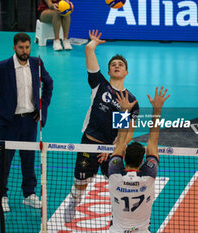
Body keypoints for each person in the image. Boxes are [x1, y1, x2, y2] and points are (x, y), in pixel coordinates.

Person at [64, 29, 139, 222]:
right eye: (113, 64)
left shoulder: (131, 101)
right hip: (88, 143)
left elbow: (128, 133)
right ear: (108, 71)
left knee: (117, 186)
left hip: (112, 150)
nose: (116, 66)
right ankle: (74, 202)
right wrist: (92, 45)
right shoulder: (99, 84)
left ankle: (117, 219)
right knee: (80, 184)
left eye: (120, 64)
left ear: (126, 72)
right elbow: (90, 56)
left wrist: (113, 149)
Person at [0, 32, 53, 212]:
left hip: (30, 121)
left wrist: (42, 109)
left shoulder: (37, 63)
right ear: (14, 47)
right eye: (21, 47)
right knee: (5, 160)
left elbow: (49, 84)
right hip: (8, 123)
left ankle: (29, 194)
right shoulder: (2, 67)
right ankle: (1, 196)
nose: (24, 51)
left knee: (28, 159)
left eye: (27, 47)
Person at [108, 86, 169, 233]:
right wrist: (157, 110)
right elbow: (153, 142)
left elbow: (120, 143)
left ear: (124, 157)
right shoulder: (148, 176)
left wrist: (123, 112)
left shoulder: (115, 173)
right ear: (142, 161)